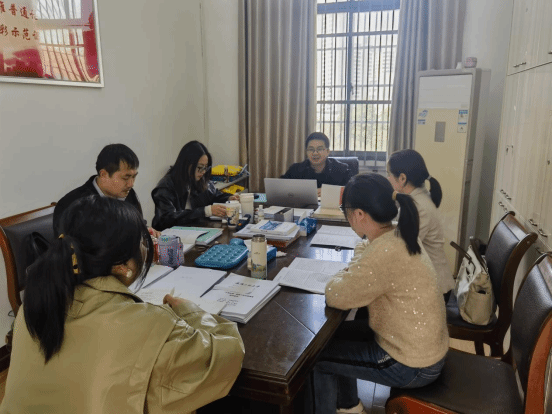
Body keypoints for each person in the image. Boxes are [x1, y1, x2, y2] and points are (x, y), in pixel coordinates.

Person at [0, 196, 244, 414]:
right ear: (122, 265)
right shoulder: (149, 325)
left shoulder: (34, 306)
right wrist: (190, 311)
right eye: (142, 242)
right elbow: (227, 355)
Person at [311, 174, 448, 414]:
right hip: (423, 348)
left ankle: (345, 406)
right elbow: (366, 252)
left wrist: (343, 273)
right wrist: (355, 266)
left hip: (412, 364)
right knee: (332, 337)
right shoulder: (399, 233)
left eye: (346, 211)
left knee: (319, 360)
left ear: (359, 214)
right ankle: (350, 407)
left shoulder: (383, 253)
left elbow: (336, 295)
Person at [387, 149, 455, 301]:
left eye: (389, 174)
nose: (388, 178)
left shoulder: (418, 206)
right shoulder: (418, 197)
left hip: (434, 291)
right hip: (427, 280)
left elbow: (402, 250)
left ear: (402, 178)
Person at [53, 143, 160, 237]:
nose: (131, 184)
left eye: (134, 177)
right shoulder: (74, 204)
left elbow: (137, 225)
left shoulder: (129, 193)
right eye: (125, 178)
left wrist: (145, 230)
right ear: (103, 174)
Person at [151, 140, 239, 231]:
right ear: (186, 164)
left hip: (195, 230)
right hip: (172, 235)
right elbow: (167, 219)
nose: (203, 172)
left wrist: (229, 198)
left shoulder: (198, 179)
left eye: (205, 167)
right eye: (200, 167)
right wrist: (206, 211)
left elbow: (213, 195)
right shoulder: (165, 187)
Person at [281, 132, 352, 196]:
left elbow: (351, 191)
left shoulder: (341, 169)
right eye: (311, 149)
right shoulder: (295, 170)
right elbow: (281, 187)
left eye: (319, 149)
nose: (315, 153)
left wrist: (330, 191)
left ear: (327, 151)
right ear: (306, 152)